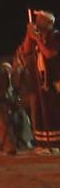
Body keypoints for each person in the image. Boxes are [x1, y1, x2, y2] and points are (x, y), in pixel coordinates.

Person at [17, 9, 60, 152]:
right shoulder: (39, 37)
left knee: (54, 114)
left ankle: (55, 145)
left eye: (40, 19)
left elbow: (50, 54)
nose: (37, 22)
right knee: (41, 115)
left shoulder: (55, 36)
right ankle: (44, 144)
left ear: (49, 23)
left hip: (54, 82)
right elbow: (26, 51)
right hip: (38, 83)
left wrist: (36, 39)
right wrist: (29, 36)